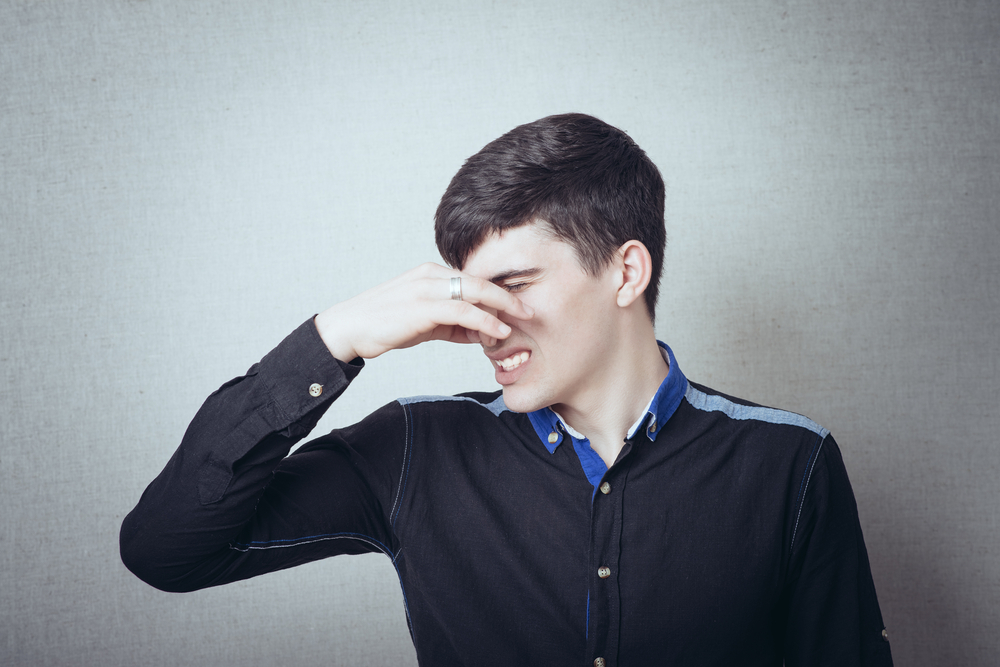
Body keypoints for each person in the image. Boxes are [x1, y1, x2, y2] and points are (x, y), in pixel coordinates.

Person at [120, 113, 893, 666]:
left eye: (514, 284)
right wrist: (333, 339)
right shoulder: (414, 448)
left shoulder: (793, 462)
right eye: (469, 292)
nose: (485, 323)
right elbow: (167, 548)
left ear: (626, 271)